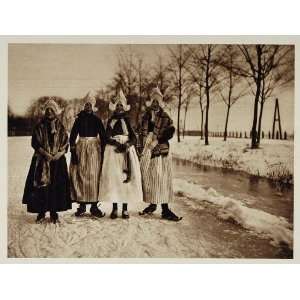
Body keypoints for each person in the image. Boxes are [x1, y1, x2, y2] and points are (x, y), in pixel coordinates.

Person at [22, 98, 71, 224]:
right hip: (41, 161)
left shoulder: (60, 126)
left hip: (57, 162)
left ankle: (54, 212)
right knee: (41, 187)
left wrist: (59, 154)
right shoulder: (39, 126)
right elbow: (34, 142)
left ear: (55, 111)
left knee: (56, 186)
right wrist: (45, 154)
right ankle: (41, 211)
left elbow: (66, 143)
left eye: (52, 110)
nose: (49, 112)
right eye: (47, 110)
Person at [139, 87, 182, 222]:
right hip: (147, 148)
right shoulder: (146, 116)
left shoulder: (165, 116)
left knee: (161, 177)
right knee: (149, 177)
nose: (155, 104)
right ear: (150, 102)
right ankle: (152, 203)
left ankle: (165, 208)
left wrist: (157, 140)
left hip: (160, 149)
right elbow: (140, 131)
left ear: (160, 102)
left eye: (157, 102)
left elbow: (170, 132)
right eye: (153, 101)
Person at [99, 89, 142, 219]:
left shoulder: (128, 121)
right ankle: (114, 208)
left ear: (124, 107)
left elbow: (134, 138)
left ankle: (124, 209)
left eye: (121, 106)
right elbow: (106, 136)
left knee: (124, 180)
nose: (118, 108)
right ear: (114, 107)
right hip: (113, 152)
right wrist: (116, 143)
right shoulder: (111, 120)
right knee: (114, 179)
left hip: (126, 152)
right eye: (117, 105)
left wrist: (127, 145)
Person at [69, 91, 106, 218]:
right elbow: (72, 136)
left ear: (93, 106)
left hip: (94, 149)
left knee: (94, 175)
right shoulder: (78, 120)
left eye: (90, 105)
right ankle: (82, 205)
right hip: (81, 148)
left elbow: (103, 136)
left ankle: (94, 206)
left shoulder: (97, 120)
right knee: (80, 174)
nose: (88, 107)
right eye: (86, 105)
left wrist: (104, 150)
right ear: (84, 106)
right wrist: (73, 151)